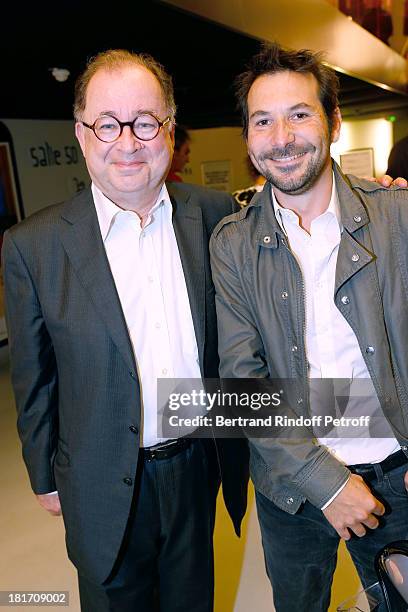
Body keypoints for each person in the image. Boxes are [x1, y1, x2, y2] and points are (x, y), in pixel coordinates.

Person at [2, 49, 248, 612]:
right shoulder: (33, 247)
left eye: (145, 121)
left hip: (196, 467)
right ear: (82, 135)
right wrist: (44, 473)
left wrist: (380, 199)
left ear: (168, 125)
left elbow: (297, 223)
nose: (128, 142)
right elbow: (32, 378)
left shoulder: (216, 215)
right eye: (107, 124)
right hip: (98, 475)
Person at [210, 42, 408, 612]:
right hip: (291, 487)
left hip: (396, 474)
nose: (282, 137)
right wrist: (328, 483)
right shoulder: (232, 245)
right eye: (263, 121)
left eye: (299, 114)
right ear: (247, 137)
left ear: (334, 122)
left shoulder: (396, 217)